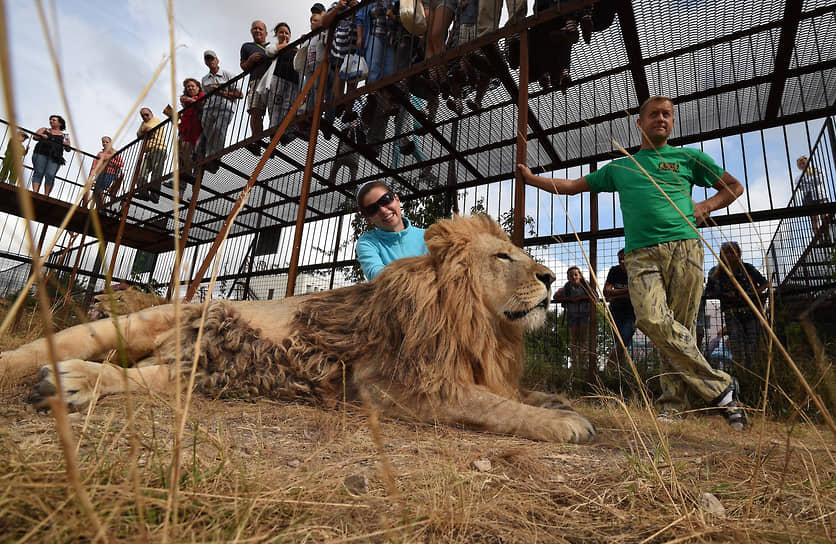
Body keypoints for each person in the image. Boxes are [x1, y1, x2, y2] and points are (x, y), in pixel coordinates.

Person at [517, 95, 748, 430]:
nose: (661, 119)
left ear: (672, 121)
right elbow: (572, 186)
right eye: (654, 114)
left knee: (680, 332)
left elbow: (733, 187)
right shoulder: (622, 166)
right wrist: (532, 179)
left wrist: (704, 207)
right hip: (640, 255)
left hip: (686, 250)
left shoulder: (688, 157)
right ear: (640, 124)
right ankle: (722, 388)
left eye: (667, 114)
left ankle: (673, 406)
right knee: (653, 320)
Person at [705, 241, 769, 371]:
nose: (729, 255)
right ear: (721, 255)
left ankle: (754, 372)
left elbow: (764, 284)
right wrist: (723, 294)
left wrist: (750, 294)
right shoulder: (715, 272)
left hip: (751, 311)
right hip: (731, 312)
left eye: (732, 252)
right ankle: (741, 372)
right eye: (726, 253)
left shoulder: (747, 268)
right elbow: (708, 292)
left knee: (753, 343)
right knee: (737, 344)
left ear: (738, 254)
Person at [355, 180, 428, 280]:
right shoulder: (368, 242)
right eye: (372, 209)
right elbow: (378, 277)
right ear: (368, 218)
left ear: (397, 199)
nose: (383, 211)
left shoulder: (427, 236)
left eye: (385, 200)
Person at [200, 50, 242, 172]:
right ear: (205, 62)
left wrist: (221, 91)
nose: (210, 61)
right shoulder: (204, 79)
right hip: (209, 109)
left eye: (212, 58)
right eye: (207, 59)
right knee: (209, 133)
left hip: (225, 108)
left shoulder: (227, 75)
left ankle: (214, 159)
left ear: (217, 60)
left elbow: (240, 94)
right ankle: (210, 157)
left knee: (219, 129)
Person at [264, 22, 301, 139]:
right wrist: (285, 46)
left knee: (289, 108)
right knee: (276, 107)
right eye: (281, 32)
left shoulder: (296, 50)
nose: (284, 35)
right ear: (276, 34)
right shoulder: (273, 47)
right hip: (278, 79)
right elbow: (269, 51)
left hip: (293, 83)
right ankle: (273, 133)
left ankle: (286, 134)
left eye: (287, 33)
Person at [554, 266, 594, 368]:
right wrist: (568, 299)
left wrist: (581, 298)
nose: (573, 277)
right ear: (568, 277)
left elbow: (595, 295)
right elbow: (556, 296)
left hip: (584, 314)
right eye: (571, 275)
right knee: (573, 339)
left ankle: (582, 363)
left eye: (576, 274)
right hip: (572, 314)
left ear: (580, 275)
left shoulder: (586, 285)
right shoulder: (567, 287)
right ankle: (574, 362)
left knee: (583, 338)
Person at [240, 20, 271, 149]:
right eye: (255, 29)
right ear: (251, 32)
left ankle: (273, 137)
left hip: (272, 81)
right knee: (255, 111)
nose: (257, 31)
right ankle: (257, 139)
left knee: (275, 110)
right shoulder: (247, 46)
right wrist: (251, 60)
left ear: (266, 32)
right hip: (256, 81)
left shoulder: (272, 47)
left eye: (260, 29)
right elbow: (243, 67)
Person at [604, 248, 636, 367]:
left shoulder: (635, 270)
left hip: (631, 312)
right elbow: (606, 292)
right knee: (618, 342)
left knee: (624, 340)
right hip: (615, 310)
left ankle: (609, 367)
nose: (622, 261)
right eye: (620, 259)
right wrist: (627, 292)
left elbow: (636, 292)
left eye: (624, 258)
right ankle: (620, 373)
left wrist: (615, 293)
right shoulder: (614, 270)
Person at [31, 114, 71, 196]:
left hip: (55, 157)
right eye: (50, 120)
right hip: (41, 152)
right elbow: (35, 137)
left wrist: (67, 145)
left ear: (60, 123)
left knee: (50, 175)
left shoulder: (65, 135)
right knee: (38, 172)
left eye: (54, 120)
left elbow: (68, 149)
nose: (51, 121)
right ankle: (35, 192)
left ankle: (46, 194)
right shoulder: (44, 129)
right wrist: (41, 136)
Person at [176, 78, 204, 191]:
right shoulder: (187, 101)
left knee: (192, 153)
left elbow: (202, 105)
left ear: (198, 87)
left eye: (192, 86)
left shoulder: (201, 95)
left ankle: (192, 180)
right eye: (188, 87)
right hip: (185, 129)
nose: (190, 88)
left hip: (197, 129)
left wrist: (189, 100)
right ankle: (187, 176)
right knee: (182, 153)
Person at [135, 108, 167, 203]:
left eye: (147, 114)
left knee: (156, 173)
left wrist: (145, 132)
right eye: (142, 116)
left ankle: (155, 195)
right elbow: (138, 135)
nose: (145, 117)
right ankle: (143, 193)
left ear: (151, 114)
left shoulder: (155, 120)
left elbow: (149, 130)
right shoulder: (143, 123)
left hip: (158, 149)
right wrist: (146, 132)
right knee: (141, 174)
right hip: (148, 151)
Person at [795, 155, 829, 237]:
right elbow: (802, 187)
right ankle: (819, 238)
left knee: (825, 217)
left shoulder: (818, 170)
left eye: (803, 163)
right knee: (814, 220)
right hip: (808, 198)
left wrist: (807, 182)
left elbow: (819, 180)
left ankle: (828, 235)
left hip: (820, 195)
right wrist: (812, 180)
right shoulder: (798, 177)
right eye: (800, 164)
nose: (802, 165)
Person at [88, 136, 123, 209]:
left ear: (110, 143)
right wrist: (91, 176)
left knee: (100, 190)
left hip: (110, 174)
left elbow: (121, 164)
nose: (104, 143)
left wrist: (111, 160)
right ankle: (98, 207)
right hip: (100, 174)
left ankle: (102, 207)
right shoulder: (100, 154)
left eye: (106, 142)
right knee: (96, 191)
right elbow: (94, 166)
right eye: (103, 142)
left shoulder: (115, 153)